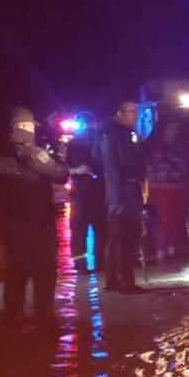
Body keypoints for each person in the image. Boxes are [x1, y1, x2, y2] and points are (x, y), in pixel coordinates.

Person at [0, 107, 69, 328]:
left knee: (15, 272)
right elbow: (60, 175)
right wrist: (61, 158)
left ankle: (13, 316)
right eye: (31, 126)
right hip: (38, 224)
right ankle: (43, 319)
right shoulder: (34, 152)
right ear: (23, 127)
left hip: (10, 224)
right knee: (44, 273)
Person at [96, 100, 147, 293]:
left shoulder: (103, 134)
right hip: (126, 191)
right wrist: (140, 172)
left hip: (113, 192)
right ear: (119, 114)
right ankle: (125, 280)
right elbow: (131, 161)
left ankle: (112, 278)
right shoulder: (124, 135)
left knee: (114, 238)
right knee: (127, 237)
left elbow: (96, 158)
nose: (135, 116)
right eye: (132, 112)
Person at [144, 115, 189, 262]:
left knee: (176, 218)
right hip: (160, 187)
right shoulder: (152, 146)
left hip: (178, 186)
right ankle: (160, 248)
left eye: (176, 128)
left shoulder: (178, 146)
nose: (173, 131)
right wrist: (148, 187)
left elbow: (184, 164)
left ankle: (171, 245)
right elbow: (147, 168)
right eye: (171, 128)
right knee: (164, 219)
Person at [66, 113, 106, 273]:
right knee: (79, 230)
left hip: (97, 191)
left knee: (101, 229)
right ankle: (80, 265)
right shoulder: (71, 146)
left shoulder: (99, 142)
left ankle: (101, 262)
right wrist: (77, 170)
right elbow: (62, 168)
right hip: (80, 193)